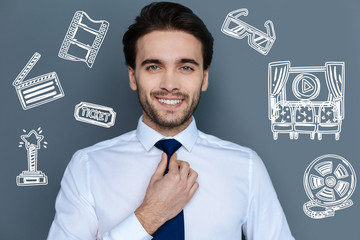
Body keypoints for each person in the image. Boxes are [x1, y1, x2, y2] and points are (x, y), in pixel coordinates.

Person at [48, 2, 294, 239]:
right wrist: (149, 216)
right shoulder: (87, 167)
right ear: (133, 77)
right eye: (154, 67)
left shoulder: (246, 167)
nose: (170, 85)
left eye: (185, 67)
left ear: (204, 78)